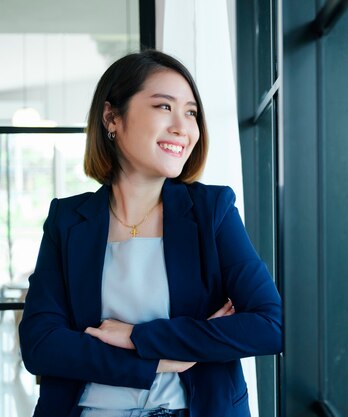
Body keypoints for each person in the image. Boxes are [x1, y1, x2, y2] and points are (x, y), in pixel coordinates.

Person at [19, 50, 283, 417]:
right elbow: (41, 346)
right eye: (164, 107)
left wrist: (138, 337)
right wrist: (162, 359)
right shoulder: (67, 219)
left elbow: (269, 325)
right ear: (112, 117)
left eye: (191, 112)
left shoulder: (212, 210)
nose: (183, 127)